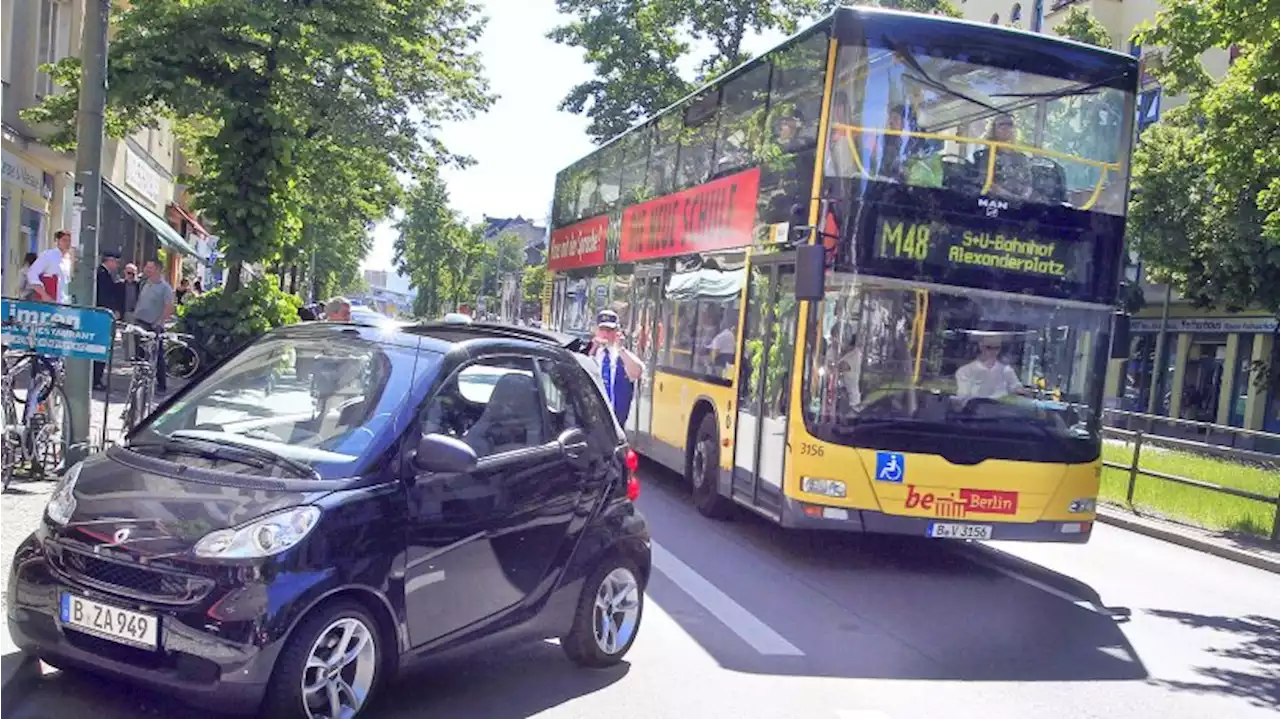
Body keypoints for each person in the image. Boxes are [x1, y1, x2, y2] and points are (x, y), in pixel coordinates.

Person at [589, 310, 644, 423]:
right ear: (596, 331)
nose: (605, 334)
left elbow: (637, 372)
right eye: (602, 330)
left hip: (615, 426)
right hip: (591, 424)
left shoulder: (622, 356)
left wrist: (621, 349)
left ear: (617, 332)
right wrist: (592, 349)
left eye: (609, 330)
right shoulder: (590, 354)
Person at [134, 259, 175, 394]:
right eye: (146, 266)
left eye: (150, 267)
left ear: (157, 269)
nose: (146, 269)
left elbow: (169, 307)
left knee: (157, 356)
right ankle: (140, 381)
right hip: (140, 323)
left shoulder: (165, 288)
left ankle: (161, 384)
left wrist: (159, 321)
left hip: (153, 325)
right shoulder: (146, 283)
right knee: (140, 355)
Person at [955, 336, 1030, 400]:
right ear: (981, 346)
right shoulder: (965, 371)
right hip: (975, 413)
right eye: (989, 347)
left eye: (996, 348)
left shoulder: (1007, 370)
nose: (993, 351)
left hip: (1002, 413)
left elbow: (1017, 388)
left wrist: (1027, 393)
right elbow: (963, 398)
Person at [93, 251, 124, 390]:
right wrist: (113, 311)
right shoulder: (102, 274)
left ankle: (96, 378)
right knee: (100, 348)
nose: (117, 265)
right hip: (102, 318)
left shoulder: (105, 274)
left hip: (102, 317)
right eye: (116, 262)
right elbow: (104, 297)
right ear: (109, 261)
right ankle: (96, 379)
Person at [27, 230, 73, 303]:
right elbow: (32, 274)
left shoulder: (67, 260)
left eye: (69, 241)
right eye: (64, 240)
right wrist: (44, 295)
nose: (67, 243)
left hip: (63, 304)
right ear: (57, 241)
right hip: (48, 303)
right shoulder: (48, 255)